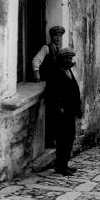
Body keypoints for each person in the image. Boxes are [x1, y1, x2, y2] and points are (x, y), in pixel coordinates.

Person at [50, 48, 82, 176]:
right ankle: (61, 166)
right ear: (62, 60)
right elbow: (55, 93)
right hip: (63, 113)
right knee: (63, 139)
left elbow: (74, 90)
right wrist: (60, 108)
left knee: (69, 138)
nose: (69, 61)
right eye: (67, 58)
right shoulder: (57, 73)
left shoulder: (68, 71)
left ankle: (64, 164)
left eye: (70, 58)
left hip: (71, 111)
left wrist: (78, 108)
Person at [32, 25, 65, 148]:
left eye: (60, 36)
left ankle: (55, 138)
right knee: (51, 113)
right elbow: (36, 60)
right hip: (49, 85)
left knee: (58, 113)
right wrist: (37, 75)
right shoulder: (46, 48)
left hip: (58, 86)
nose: (58, 38)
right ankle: (49, 140)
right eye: (55, 35)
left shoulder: (60, 50)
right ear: (51, 36)